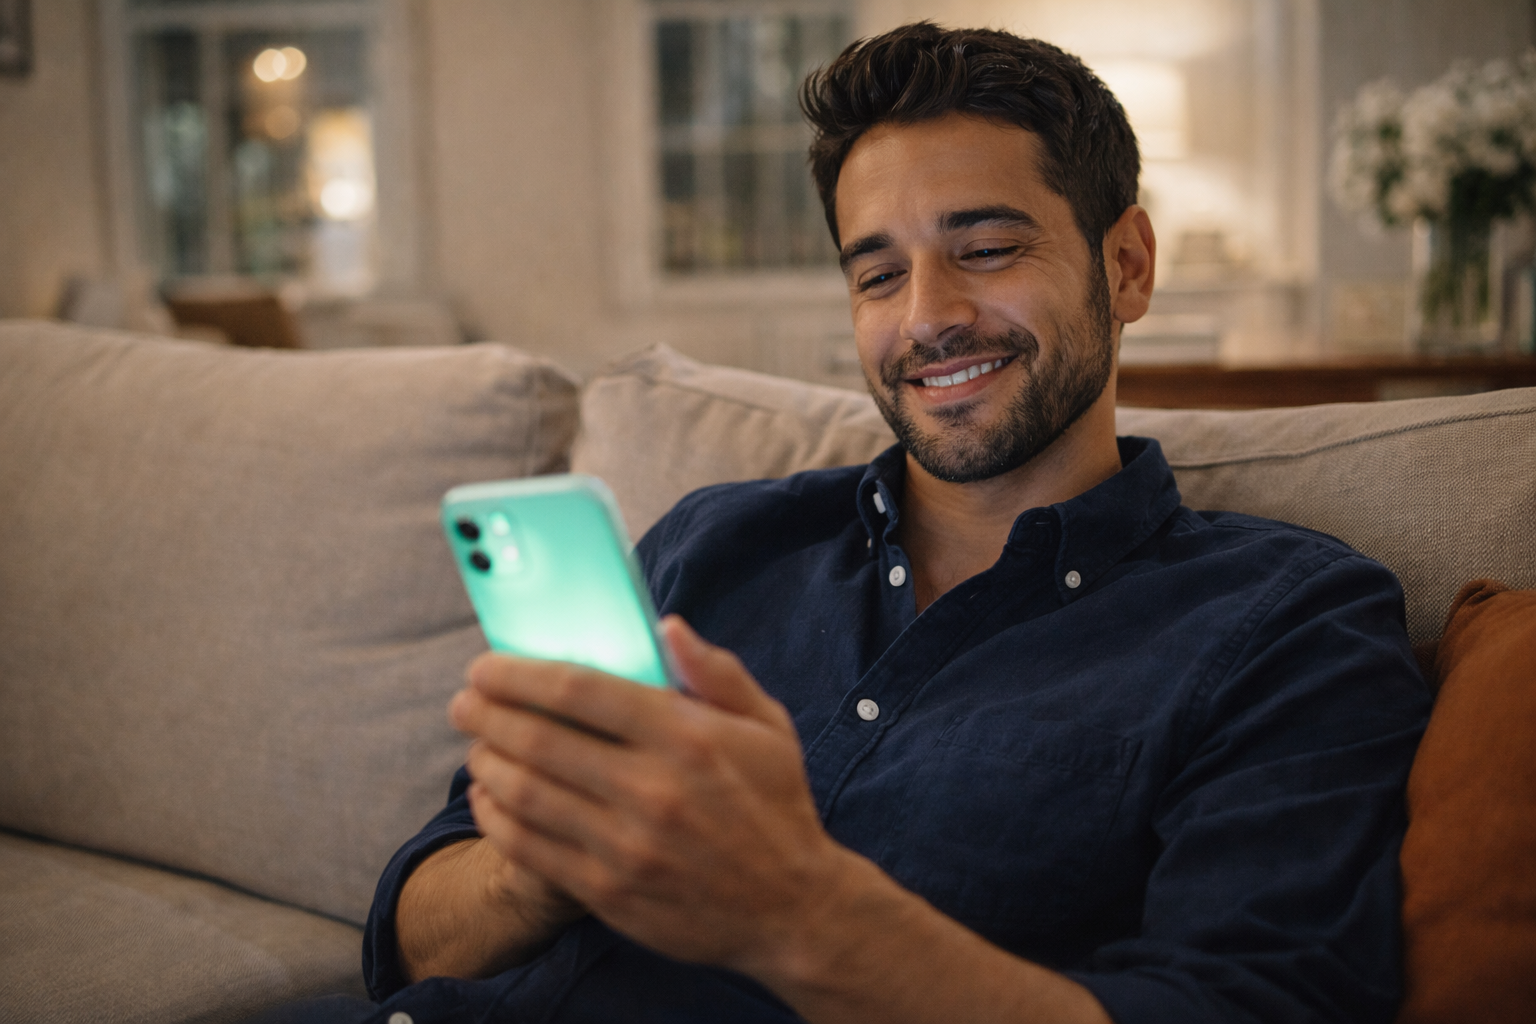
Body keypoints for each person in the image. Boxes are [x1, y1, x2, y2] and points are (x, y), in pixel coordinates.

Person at [301, 23, 1429, 1024]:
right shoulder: (718, 540)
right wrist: (543, 869)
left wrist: (790, 906)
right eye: (877, 273)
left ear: (1125, 264)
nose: (928, 318)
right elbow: (407, 934)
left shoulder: (1287, 624)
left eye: (985, 250)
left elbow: (1247, 998)